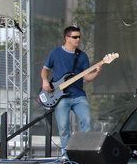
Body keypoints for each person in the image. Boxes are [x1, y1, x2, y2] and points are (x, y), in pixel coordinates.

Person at [41, 25, 102, 157]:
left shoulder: (82, 56)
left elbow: (87, 78)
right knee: (64, 127)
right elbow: (45, 69)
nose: (78, 39)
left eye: (79, 37)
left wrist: (96, 72)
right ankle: (65, 155)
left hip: (78, 95)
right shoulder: (55, 53)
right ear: (66, 38)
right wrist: (45, 81)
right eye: (75, 37)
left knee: (87, 121)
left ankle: (85, 153)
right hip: (60, 96)